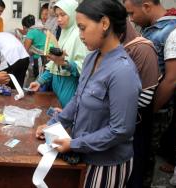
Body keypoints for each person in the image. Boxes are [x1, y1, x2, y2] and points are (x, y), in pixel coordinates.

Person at [36, 0, 141, 187]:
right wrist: (52, 125)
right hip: (85, 154)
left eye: (83, 28)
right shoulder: (92, 57)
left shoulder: (122, 71)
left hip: (107, 163)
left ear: (105, 24)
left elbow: (120, 130)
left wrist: (74, 144)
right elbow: (78, 99)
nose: (80, 35)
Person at [123, 0, 176, 177]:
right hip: (140, 108)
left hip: (155, 110)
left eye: (132, 13)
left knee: (144, 158)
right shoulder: (151, 28)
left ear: (146, 6)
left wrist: (149, 110)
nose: (132, 19)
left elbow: (172, 79)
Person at [29, 0, 88, 107]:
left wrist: (64, 63)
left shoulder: (79, 36)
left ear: (73, 14)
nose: (59, 19)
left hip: (69, 86)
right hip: (56, 88)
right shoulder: (64, 34)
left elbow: (84, 68)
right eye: (57, 16)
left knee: (66, 118)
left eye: (63, 15)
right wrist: (39, 82)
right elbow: (54, 65)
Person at [122, 20, 160, 188]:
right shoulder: (115, 50)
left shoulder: (142, 50)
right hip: (119, 124)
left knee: (132, 170)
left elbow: (145, 99)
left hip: (134, 124)